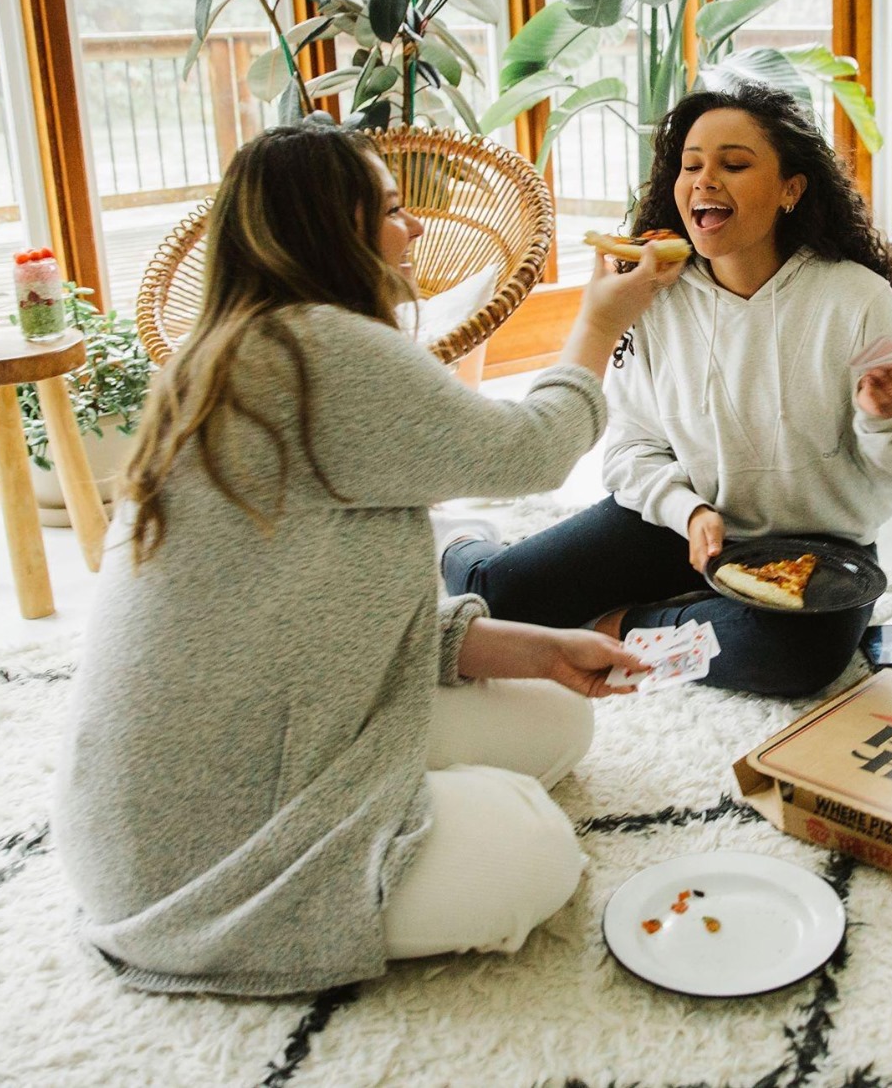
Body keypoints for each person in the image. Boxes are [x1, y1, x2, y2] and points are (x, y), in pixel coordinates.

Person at [53, 124, 683, 996]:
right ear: (330, 229)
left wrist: (539, 650)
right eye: (390, 210)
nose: (414, 227)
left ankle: (411, 791)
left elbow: (325, 622)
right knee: (535, 848)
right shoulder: (318, 350)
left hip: (203, 772)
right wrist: (599, 321)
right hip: (200, 850)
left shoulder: (233, 346)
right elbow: (533, 451)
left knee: (558, 719)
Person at [443, 85, 892, 697]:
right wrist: (687, 510)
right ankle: (462, 543)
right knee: (497, 597)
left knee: (795, 659)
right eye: (690, 165)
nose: (705, 180)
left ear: (790, 190)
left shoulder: (856, 298)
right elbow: (630, 449)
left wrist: (887, 418)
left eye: (734, 164)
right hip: (681, 528)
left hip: (817, 548)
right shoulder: (653, 293)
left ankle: (623, 625)